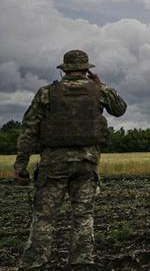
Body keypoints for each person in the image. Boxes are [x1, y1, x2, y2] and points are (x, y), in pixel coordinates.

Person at [13, 49, 127, 269]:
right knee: (83, 215)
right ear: (86, 70)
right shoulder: (99, 91)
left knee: (44, 216)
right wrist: (101, 83)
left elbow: (29, 130)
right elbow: (120, 109)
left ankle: (36, 263)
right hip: (87, 163)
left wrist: (21, 165)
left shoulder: (46, 93)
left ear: (64, 69)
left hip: (54, 163)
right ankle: (82, 262)